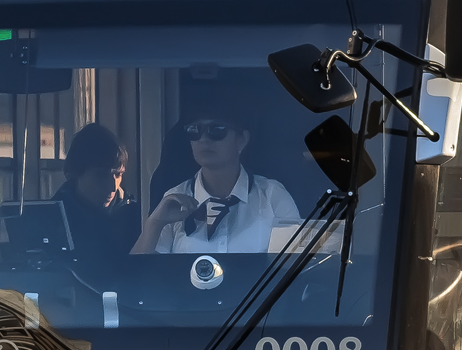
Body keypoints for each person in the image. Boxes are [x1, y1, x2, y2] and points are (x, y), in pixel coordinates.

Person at [132, 108, 301, 255]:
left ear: (242, 139)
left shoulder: (273, 195)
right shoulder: (174, 199)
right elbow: (138, 278)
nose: (204, 139)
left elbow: (296, 269)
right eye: (194, 130)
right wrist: (155, 223)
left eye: (216, 130)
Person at [53, 123, 140, 258]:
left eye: (118, 174)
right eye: (101, 175)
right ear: (76, 174)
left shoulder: (133, 213)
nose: (113, 187)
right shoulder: (56, 219)